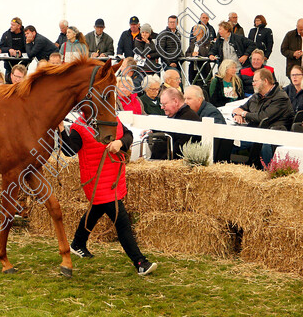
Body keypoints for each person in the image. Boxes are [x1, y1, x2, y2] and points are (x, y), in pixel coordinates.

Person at [57, 114, 157, 276]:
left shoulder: (111, 118)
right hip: (96, 181)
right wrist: (61, 129)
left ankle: (77, 243)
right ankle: (140, 262)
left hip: (112, 176)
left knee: (96, 210)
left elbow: (128, 135)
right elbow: (69, 151)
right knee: (122, 220)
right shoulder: (80, 127)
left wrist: (120, 143)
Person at [152, 88, 201, 159]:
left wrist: (159, 162)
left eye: (164, 104)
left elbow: (179, 150)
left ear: (175, 101)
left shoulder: (187, 119)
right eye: (161, 104)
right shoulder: (178, 115)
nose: (162, 107)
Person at [0, 17, 27, 83]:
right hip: (9, 64)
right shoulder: (6, 35)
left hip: (22, 64)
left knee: (22, 85)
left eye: (13, 25)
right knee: (8, 84)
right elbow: (0, 48)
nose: (11, 27)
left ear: (19, 26)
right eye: (11, 24)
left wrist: (21, 53)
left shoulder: (25, 34)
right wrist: (9, 50)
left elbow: (29, 48)